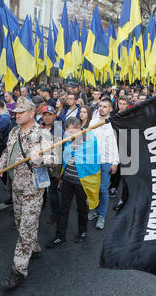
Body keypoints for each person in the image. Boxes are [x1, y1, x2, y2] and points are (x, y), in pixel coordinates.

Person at [0, 96, 59, 290]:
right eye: (15, 112)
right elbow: (7, 152)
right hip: (16, 186)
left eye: (21, 112)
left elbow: (55, 159)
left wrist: (40, 158)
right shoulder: (14, 132)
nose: (17, 115)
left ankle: (18, 269)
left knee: (26, 226)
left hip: (33, 189)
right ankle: (34, 246)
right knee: (21, 222)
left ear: (32, 113)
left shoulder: (42, 134)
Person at [46, 117, 101, 248]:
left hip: (82, 181)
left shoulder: (90, 138)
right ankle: (60, 236)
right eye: (68, 132)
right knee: (63, 208)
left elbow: (89, 157)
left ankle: (82, 232)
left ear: (79, 128)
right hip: (68, 180)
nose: (70, 135)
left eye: (73, 132)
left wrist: (77, 143)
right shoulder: (67, 140)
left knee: (82, 209)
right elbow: (66, 156)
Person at [88, 98, 119, 230]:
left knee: (103, 189)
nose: (101, 108)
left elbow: (115, 145)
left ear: (110, 109)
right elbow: (88, 141)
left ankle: (102, 215)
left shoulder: (113, 124)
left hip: (106, 161)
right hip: (92, 161)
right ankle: (93, 210)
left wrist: (115, 163)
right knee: (92, 188)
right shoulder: (93, 122)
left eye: (105, 106)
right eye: (100, 106)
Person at [41, 105, 63, 225]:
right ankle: (40, 207)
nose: (47, 117)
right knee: (40, 189)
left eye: (50, 115)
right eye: (45, 115)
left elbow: (59, 151)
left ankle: (55, 213)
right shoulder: (39, 127)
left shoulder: (58, 128)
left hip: (53, 166)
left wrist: (59, 172)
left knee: (52, 191)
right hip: (40, 164)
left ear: (54, 116)